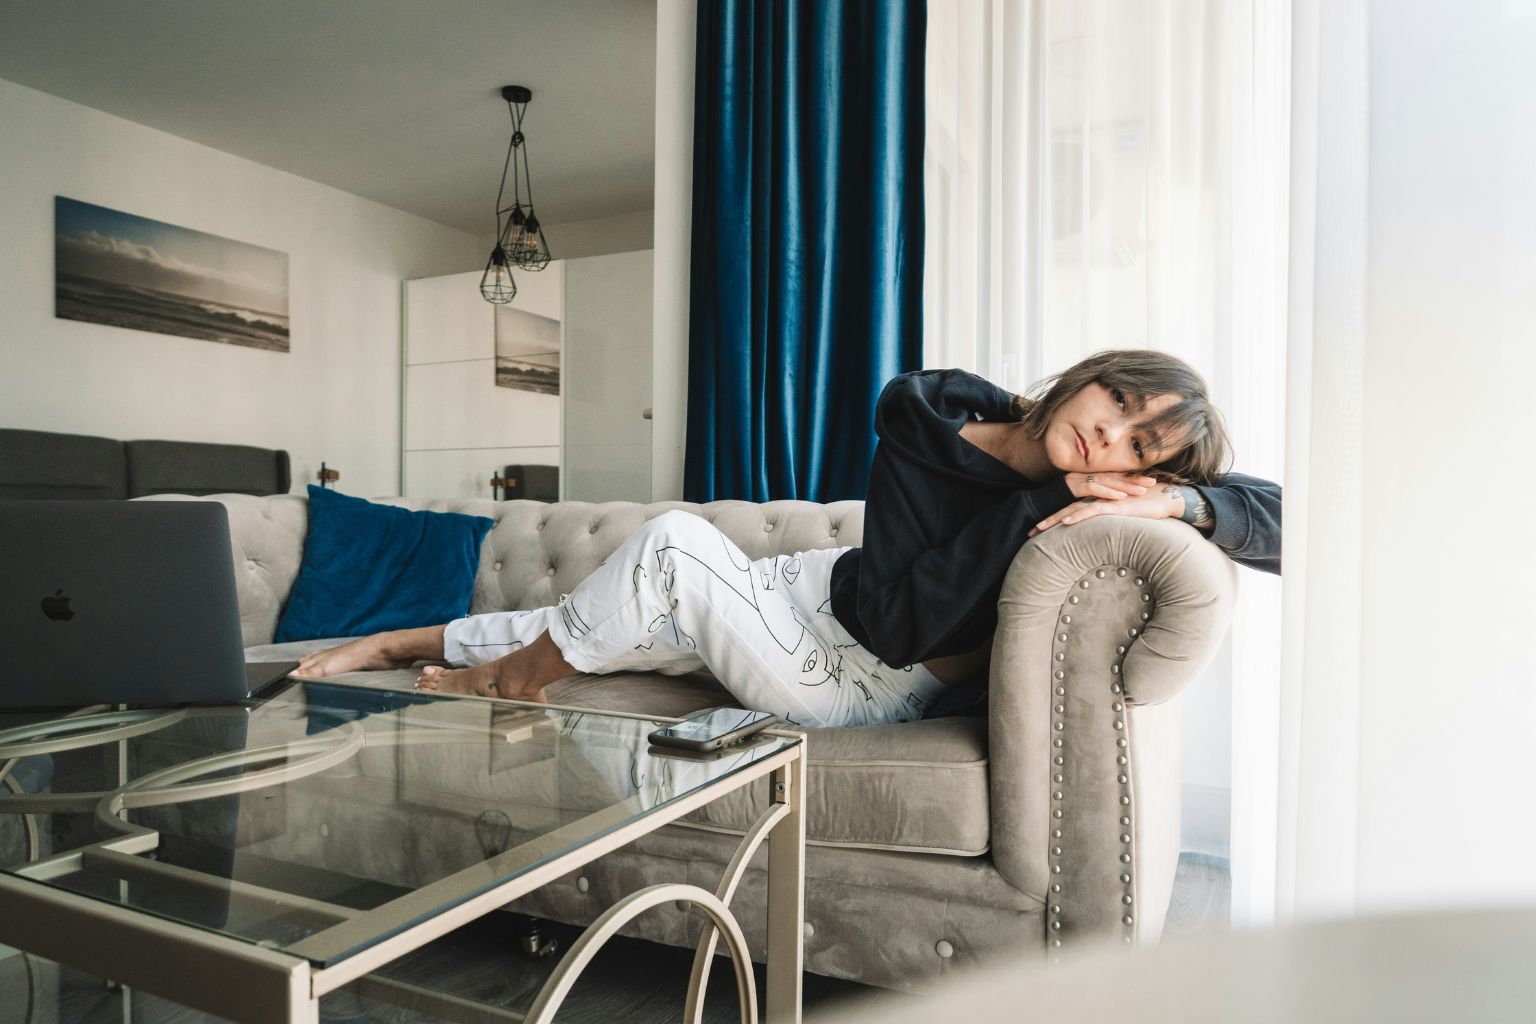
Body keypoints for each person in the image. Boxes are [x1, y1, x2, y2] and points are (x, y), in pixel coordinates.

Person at [292, 349, 1281, 729]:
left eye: (1137, 445)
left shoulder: (1074, 507)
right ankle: (398, 643)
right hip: (812, 598)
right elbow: (881, 584)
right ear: (1089, 375)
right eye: (1116, 403)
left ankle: (498, 683)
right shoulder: (927, 418)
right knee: (606, 616)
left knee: (669, 551)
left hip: (862, 678)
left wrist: (1180, 507)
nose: (1107, 436)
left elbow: (1287, 518)